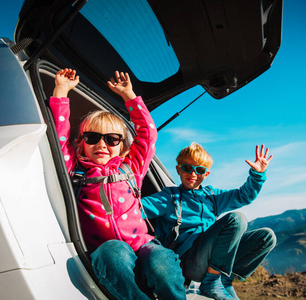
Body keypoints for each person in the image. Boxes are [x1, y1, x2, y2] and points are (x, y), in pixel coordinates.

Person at [49, 68, 186, 300]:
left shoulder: (131, 167)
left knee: (161, 263)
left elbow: (148, 135)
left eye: (111, 139)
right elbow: (59, 135)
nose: (102, 144)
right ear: (81, 143)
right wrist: (61, 91)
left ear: (122, 146)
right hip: (108, 250)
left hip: (142, 244)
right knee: (112, 252)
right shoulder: (76, 170)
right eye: (92, 138)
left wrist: (129, 97)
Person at [141, 142, 276, 300]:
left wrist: (257, 175)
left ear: (206, 174)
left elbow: (243, 196)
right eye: (187, 168)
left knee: (267, 237)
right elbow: (137, 208)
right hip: (190, 263)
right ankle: (211, 281)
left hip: (214, 259)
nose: (193, 173)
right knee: (237, 219)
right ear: (178, 169)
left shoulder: (212, 195)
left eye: (199, 170)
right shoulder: (168, 197)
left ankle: (223, 279)